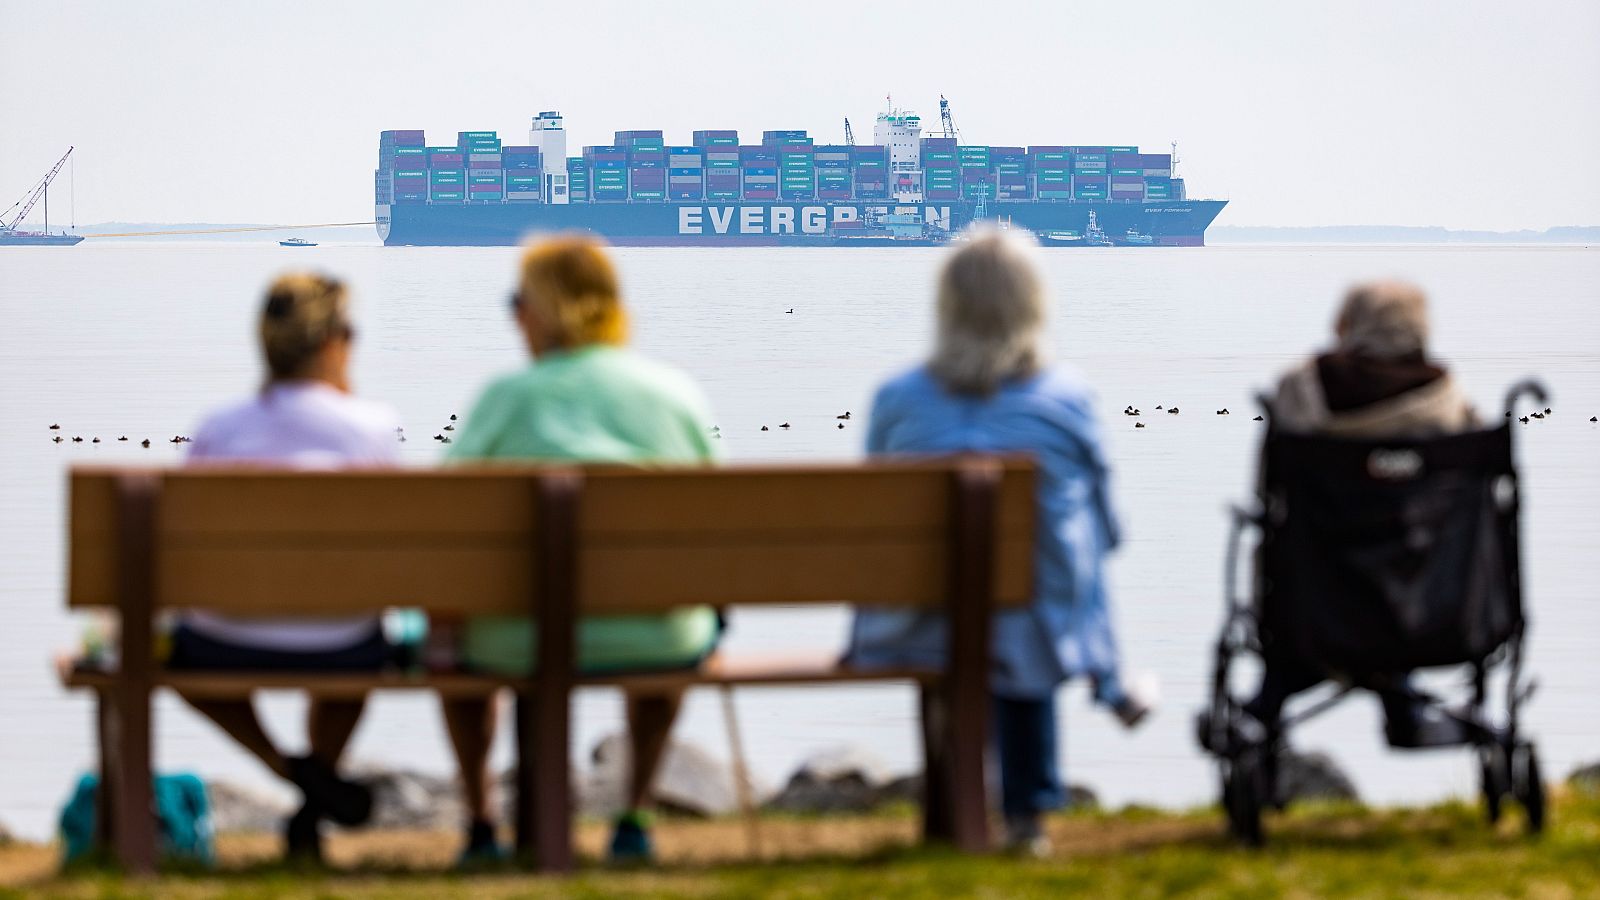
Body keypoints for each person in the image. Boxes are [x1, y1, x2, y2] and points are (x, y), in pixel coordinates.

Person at [844, 228, 1153, 856]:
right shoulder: (1067, 398)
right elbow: (1110, 529)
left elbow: (873, 515)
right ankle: (1030, 814)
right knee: (1030, 599)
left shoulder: (896, 398)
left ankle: (952, 802)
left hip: (913, 622)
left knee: (974, 610)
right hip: (1030, 623)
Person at [442, 235, 721, 863]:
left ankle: (483, 825)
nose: (514, 317)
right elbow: (714, 527)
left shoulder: (505, 399)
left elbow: (444, 525)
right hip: (656, 637)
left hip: (515, 639)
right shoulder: (673, 395)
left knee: (449, 643)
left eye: (518, 302)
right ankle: (633, 818)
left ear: (542, 311)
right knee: (676, 616)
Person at [173, 272, 401, 860]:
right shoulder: (372, 429)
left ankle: (291, 770)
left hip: (223, 642)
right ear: (331, 342)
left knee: (179, 658)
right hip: (345, 642)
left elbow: (180, 553)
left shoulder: (217, 429)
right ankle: (315, 784)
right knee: (363, 637)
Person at [1244, 279, 1479, 746]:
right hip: (1423, 593)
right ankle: (1402, 695)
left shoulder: (1303, 386)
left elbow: (1268, 489)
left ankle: (1269, 701)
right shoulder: (1448, 397)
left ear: (1346, 325)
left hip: (1317, 590)